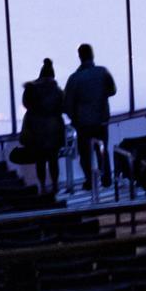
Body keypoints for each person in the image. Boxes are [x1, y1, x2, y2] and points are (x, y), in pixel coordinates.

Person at [62, 44, 116, 192]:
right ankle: (106, 179)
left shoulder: (74, 78)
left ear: (79, 57)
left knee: (85, 155)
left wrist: (75, 117)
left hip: (83, 124)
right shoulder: (102, 72)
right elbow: (112, 91)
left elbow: (67, 103)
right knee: (103, 150)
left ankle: (90, 180)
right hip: (101, 120)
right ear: (92, 55)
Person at [19, 59, 67, 192]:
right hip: (54, 130)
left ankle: (42, 186)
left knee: (40, 160)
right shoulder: (57, 90)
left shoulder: (31, 88)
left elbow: (26, 104)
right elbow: (64, 107)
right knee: (53, 160)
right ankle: (55, 185)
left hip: (36, 131)